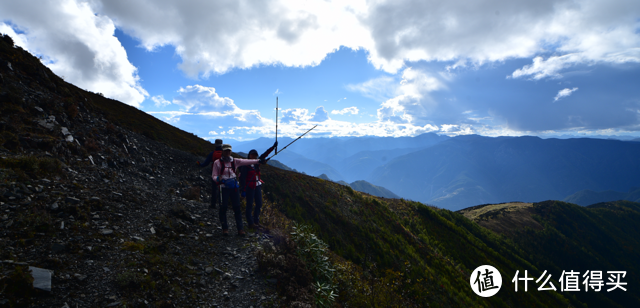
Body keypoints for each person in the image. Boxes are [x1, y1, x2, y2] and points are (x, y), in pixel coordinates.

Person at [212, 144, 266, 236]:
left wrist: (259, 161)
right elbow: (213, 175)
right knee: (223, 207)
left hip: (234, 187)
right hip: (223, 187)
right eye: (225, 150)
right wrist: (217, 179)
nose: (227, 152)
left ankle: (240, 229)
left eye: (229, 150)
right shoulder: (217, 163)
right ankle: (225, 228)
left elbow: (246, 161)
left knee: (237, 208)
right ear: (222, 151)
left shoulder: (235, 161)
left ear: (231, 151)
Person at [238, 142, 277, 229]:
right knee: (250, 204)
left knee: (259, 204)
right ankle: (250, 223)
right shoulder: (245, 165)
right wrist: (243, 189)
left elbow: (265, 154)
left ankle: (256, 221)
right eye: (252, 155)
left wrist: (273, 147)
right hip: (249, 187)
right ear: (249, 155)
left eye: (255, 155)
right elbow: (242, 178)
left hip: (257, 185)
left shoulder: (257, 162)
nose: (254, 156)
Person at [197, 139, 223, 209]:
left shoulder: (212, 154)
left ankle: (213, 204)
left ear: (215, 145)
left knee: (214, 189)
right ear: (221, 145)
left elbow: (205, 163)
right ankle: (222, 205)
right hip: (223, 174)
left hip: (214, 173)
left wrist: (200, 164)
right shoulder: (225, 154)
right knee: (223, 188)